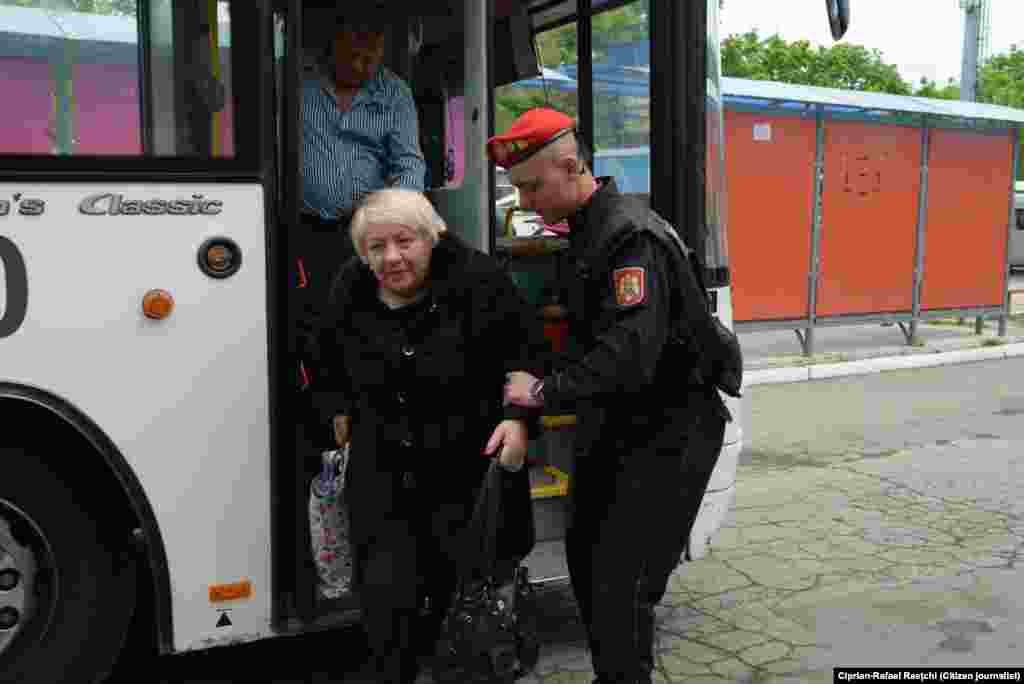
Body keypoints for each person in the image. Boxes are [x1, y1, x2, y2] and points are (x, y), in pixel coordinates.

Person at [489, 107, 731, 684]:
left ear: (572, 167)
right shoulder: (589, 232)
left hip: (666, 432)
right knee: (596, 577)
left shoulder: (627, 237)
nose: (522, 201)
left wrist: (543, 393)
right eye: (516, 188)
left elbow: (629, 355)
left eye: (531, 185)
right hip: (625, 430)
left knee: (618, 589)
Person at [310, 188, 548, 683]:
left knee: (459, 616)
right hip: (384, 480)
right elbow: (323, 356)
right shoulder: (351, 287)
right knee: (386, 610)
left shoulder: (479, 282)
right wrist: (336, 408)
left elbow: (528, 355)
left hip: (464, 476)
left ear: (431, 238)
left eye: (404, 242)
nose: (391, 258)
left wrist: (518, 418)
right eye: (376, 247)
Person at [296, 5, 427, 317]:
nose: (362, 64)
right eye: (354, 54)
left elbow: (408, 162)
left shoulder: (394, 93)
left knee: (364, 316)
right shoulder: (296, 81)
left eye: (371, 56)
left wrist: (398, 215)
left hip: (366, 230)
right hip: (301, 227)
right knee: (309, 316)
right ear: (333, 42)